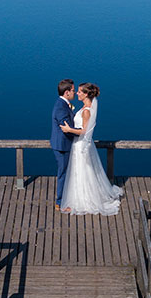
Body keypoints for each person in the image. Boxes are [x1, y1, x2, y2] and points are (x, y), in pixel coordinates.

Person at [58, 82, 122, 215]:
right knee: (81, 171)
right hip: (80, 144)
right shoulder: (86, 107)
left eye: (80, 92)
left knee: (81, 171)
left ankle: (83, 200)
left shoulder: (86, 111)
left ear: (86, 94)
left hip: (80, 144)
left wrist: (69, 129)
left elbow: (84, 131)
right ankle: (80, 197)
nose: (77, 93)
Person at [50, 79, 76, 209]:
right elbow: (67, 128)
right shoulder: (61, 107)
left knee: (65, 172)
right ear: (66, 92)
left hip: (63, 144)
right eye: (72, 90)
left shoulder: (63, 104)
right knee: (63, 174)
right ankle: (60, 202)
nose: (75, 92)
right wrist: (82, 132)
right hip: (62, 145)